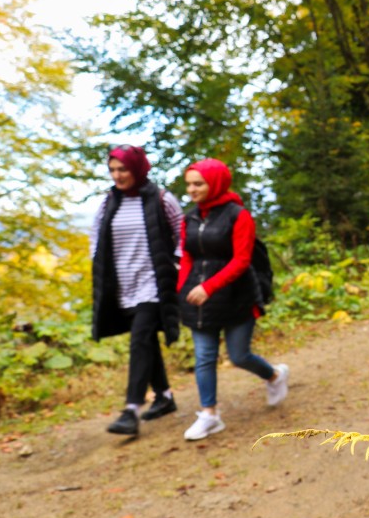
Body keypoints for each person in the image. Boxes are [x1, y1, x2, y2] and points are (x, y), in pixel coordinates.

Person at [178, 158, 289, 441]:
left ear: (215, 183)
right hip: (200, 299)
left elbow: (241, 260)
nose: (192, 190)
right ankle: (209, 415)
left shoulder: (238, 215)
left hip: (236, 296)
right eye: (189, 184)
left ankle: (274, 376)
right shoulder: (190, 218)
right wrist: (183, 287)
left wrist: (209, 287)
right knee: (204, 357)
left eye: (198, 184)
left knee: (239, 356)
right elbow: (188, 255)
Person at [91, 144, 182, 437]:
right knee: (145, 340)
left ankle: (131, 409)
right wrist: (99, 265)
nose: (117, 175)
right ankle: (164, 396)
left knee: (140, 338)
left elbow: (182, 232)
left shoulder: (162, 199)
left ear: (137, 169)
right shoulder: (108, 202)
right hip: (123, 285)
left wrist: (176, 265)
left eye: (123, 169)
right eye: (112, 170)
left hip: (153, 284)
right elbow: (96, 237)